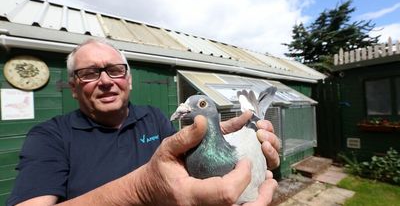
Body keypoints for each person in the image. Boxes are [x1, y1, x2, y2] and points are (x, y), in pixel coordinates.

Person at [7, 39, 281, 206]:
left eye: (115, 70)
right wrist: (142, 190)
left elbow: (185, 174)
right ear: (73, 87)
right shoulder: (49, 137)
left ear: (129, 80)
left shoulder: (153, 118)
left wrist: (219, 142)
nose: (105, 81)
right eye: (89, 73)